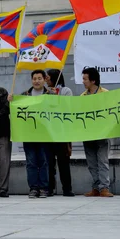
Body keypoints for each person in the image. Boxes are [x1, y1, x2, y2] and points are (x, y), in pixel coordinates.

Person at [13, 70, 50, 199]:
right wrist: (11, 101)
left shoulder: (50, 95)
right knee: (31, 162)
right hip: (28, 135)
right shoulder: (24, 95)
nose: (37, 81)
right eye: (34, 78)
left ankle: (44, 188)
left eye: (39, 78)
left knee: (44, 162)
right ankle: (33, 188)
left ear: (44, 80)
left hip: (45, 135)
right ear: (31, 80)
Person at [81, 67, 114, 197]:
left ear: (93, 80)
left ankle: (104, 187)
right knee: (91, 162)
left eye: (85, 79)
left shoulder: (105, 94)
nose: (83, 81)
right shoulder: (82, 97)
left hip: (102, 133)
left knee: (102, 160)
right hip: (88, 133)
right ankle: (95, 187)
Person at [45, 69, 75, 197]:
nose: (46, 79)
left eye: (47, 77)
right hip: (48, 132)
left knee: (64, 162)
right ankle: (50, 188)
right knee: (49, 162)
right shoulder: (45, 92)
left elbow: (68, 107)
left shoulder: (66, 91)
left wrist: (56, 97)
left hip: (62, 132)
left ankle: (67, 188)